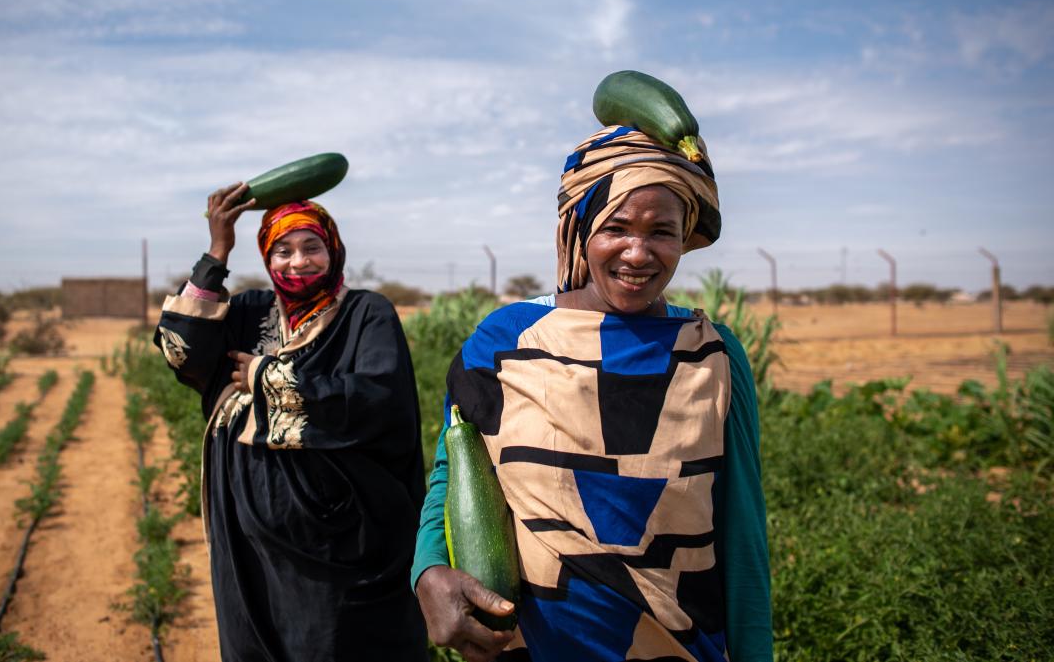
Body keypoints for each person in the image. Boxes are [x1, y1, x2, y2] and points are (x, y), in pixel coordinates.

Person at [412, 124, 773, 662]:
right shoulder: (504, 343)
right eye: (617, 227)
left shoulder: (712, 355)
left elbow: (742, 532)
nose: (637, 252)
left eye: (662, 232)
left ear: (683, 239)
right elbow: (455, 468)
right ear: (580, 229)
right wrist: (428, 568)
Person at [153, 184, 429, 662]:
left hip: (339, 538)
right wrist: (218, 250)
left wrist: (266, 377)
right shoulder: (248, 310)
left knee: (335, 642)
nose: (297, 262)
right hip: (246, 535)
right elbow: (183, 352)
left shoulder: (366, 313)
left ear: (334, 249)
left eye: (311, 247)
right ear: (265, 256)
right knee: (255, 638)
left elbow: (379, 398)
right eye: (282, 250)